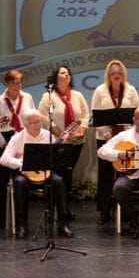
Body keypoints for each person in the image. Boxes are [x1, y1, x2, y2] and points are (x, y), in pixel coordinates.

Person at [0, 108, 73, 239]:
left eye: (38, 122)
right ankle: (21, 224)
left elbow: (56, 153)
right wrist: (23, 163)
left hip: (44, 172)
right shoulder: (17, 138)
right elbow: (4, 159)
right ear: (25, 124)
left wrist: (63, 143)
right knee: (19, 183)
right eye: (33, 123)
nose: (37, 125)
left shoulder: (47, 135)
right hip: (24, 174)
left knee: (58, 181)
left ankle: (63, 223)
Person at [35, 63, 88, 220]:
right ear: (55, 77)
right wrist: (62, 134)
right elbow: (44, 118)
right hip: (57, 142)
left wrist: (80, 132)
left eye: (68, 73)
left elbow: (85, 115)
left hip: (76, 142)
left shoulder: (78, 95)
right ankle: (53, 210)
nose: (67, 75)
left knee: (68, 175)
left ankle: (65, 210)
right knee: (56, 176)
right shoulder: (48, 96)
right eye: (63, 73)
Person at [90, 59, 139, 226]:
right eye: (113, 72)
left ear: (123, 74)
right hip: (104, 138)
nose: (116, 75)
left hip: (125, 139)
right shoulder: (99, 90)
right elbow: (96, 115)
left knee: (125, 174)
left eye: (119, 72)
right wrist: (106, 133)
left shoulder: (131, 90)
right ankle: (104, 211)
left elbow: (136, 115)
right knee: (105, 175)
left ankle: (125, 210)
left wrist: (126, 136)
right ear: (108, 74)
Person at [0, 70, 35, 229]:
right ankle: (0, 216)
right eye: (13, 83)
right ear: (6, 84)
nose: (17, 86)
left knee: (23, 177)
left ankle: (22, 217)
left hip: (23, 138)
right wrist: (3, 144)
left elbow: (33, 118)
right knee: (3, 178)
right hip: (6, 139)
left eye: (19, 82)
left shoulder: (27, 97)